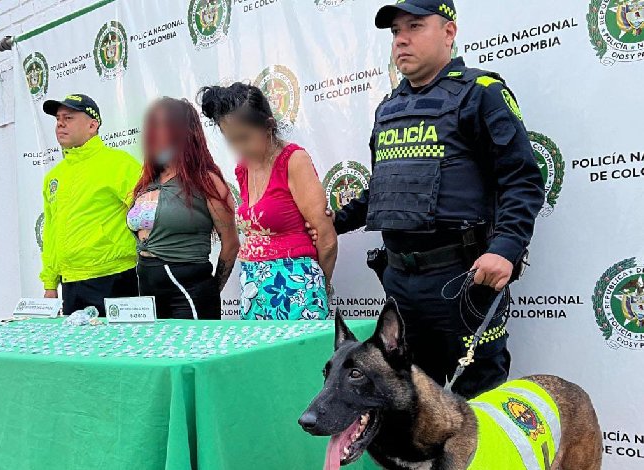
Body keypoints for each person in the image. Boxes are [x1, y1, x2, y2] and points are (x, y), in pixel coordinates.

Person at [309, 0, 544, 398]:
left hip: (462, 280)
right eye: (396, 32)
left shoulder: (482, 93)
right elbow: (382, 188)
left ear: (449, 33)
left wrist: (505, 248)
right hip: (400, 283)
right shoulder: (389, 109)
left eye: (415, 26)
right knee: (413, 402)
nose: (401, 40)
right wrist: (334, 222)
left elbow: (521, 179)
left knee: (476, 402)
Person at [199, 83, 338, 321]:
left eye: (244, 137)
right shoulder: (243, 169)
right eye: (230, 139)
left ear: (269, 126)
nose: (239, 147)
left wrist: (319, 285)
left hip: (297, 288)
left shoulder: (293, 160)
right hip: (253, 288)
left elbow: (326, 239)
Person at [127, 97, 239, 320]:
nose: (155, 132)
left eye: (164, 125)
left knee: (193, 353)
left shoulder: (206, 181)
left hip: (190, 291)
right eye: (152, 125)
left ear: (183, 131)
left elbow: (231, 243)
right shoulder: (148, 181)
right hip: (147, 289)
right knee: (156, 353)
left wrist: (211, 290)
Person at [40, 94, 142, 316]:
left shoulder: (120, 164)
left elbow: (149, 217)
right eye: (58, 118)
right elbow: (51, 233)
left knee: (119, 349)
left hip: (115, 278)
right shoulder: (54, 177)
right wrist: (49, 283)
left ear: (92, 125)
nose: (60, 123)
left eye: (69, 117)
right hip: (70, 284)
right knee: (75, 350)